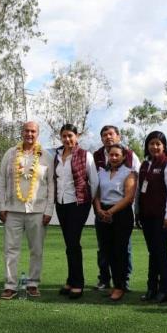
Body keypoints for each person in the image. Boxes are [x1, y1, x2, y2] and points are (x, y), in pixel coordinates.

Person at [0, 121, 55, 300]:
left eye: (33, 131)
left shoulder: (45, 156)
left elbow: (51, 184)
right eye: (26, 131)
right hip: (13, 210)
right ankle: (10, 285)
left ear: (37, 134)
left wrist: (48, 210)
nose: (29, 134)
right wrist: (2, 205)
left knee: (36, 250)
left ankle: (33, 284)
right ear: (21, 132)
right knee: (10, 249)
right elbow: (2, 182)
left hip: (37, 211)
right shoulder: (10, 153)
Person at [53, 123, 99, 299]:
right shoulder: (57, 155)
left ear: (77, 136)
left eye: (70, 136)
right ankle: (71, 280)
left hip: (78, 204)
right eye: (64, 136)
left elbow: (94, 181)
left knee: (73, 243)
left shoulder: (85, 155)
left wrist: (88, 200)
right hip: (61, 203)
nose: (67, 139)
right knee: (69, 244)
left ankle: (77, 283)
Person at [92, 125, 140, 290]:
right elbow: (95, 190)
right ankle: (104, 279)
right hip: (102, 211)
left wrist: (112, 211)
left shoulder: (131, 159)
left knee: (122, 249)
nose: (108, 137)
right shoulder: (97, 159)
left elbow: (132, 192)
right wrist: (99, 210)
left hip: (120, 212)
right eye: (104, 135)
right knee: (104, 248)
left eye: (111, 134)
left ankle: (122, 281)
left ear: (118, 136)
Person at [136, 131, 167, 303]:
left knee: (160, 252)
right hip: (147, 216)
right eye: (151, 143)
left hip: (162, 217)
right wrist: (137, 213)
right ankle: (151, 288)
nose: (154, 147)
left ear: (164, 146)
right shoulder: (145, 164)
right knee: (152, 253)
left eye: (158, 144)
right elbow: (139, 190)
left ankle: (164, 289)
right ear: (147, 146)